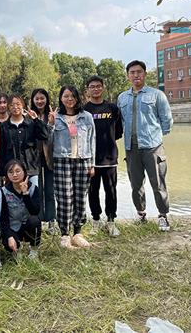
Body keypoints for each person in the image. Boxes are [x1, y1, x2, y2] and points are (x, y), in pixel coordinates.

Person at [117, 60, 173, 231]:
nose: (136, 75)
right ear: (128, 75)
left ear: (145, 74)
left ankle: (163, 216)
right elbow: (121, 121)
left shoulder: (157, 95)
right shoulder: (122, 97)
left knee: (158, 184)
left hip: (152, 147)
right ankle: (141, 214)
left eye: (139, 72)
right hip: (131, 148)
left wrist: (154, 136)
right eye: (132, 72)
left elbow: (167, 121)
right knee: (136, 184)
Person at [49, 85, 96, 249]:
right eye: (66, 96)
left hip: (83, 160)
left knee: (80, 197)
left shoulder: (86, 117)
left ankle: (77, 233)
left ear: (77, 98)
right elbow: (48, 140)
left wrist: (92, 164)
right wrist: (50, 124)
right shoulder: (56, 117)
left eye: (72, 96)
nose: (69, 99)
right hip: (62, 161)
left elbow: (92, 140)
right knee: (64, 198)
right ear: (61, 98)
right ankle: (64, 234)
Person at [84, 76, 123, 237]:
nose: (96, 89)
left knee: (111, 191)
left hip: (109, 158)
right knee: (93, 192)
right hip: (91, 159)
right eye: (92, 86)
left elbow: (118, 132)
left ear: (103, 88)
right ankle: (96, 220)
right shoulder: (84, 110)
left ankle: (111, 221)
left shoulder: (112, 108)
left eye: (98, 86)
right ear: (88, 89)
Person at [0, 94, 50, 190]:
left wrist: (36, 119)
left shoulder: (31, 124)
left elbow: (45, 135)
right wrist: (2, 172)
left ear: (23, 105)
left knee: (33, 196)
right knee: (13, 198)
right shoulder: (4, 127)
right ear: (8, 107)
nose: (15, 107)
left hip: (30, 169)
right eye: (12, 105)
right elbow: (2, 151)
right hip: (12, 171)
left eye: (18, 104)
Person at [0, 159, 41, 260]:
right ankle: (16, 249)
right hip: (13, 227)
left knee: (34, 221)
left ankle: (34, 248)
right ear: (7, 175)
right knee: (10, 245)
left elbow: (35, 211)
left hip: (28, 226)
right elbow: (3, 218)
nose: (14, 175)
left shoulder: (33, 188)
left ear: (24, 172)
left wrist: (25, 193)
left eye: (18, 171)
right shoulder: (3, 191)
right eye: (11, 172)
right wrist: (9, 236)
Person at [30, 88, 56, 235]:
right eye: (37, 99)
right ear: (33, 100)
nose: (39, 101)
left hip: (50, 157)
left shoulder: (52, 115)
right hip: (34, 158)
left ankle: (52, 220)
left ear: (46, 99)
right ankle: (38, 220)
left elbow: (51, 136)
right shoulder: (29, 116)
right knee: (37, 190)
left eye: (42, 98)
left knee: (50, 191)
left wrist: (52, 123)